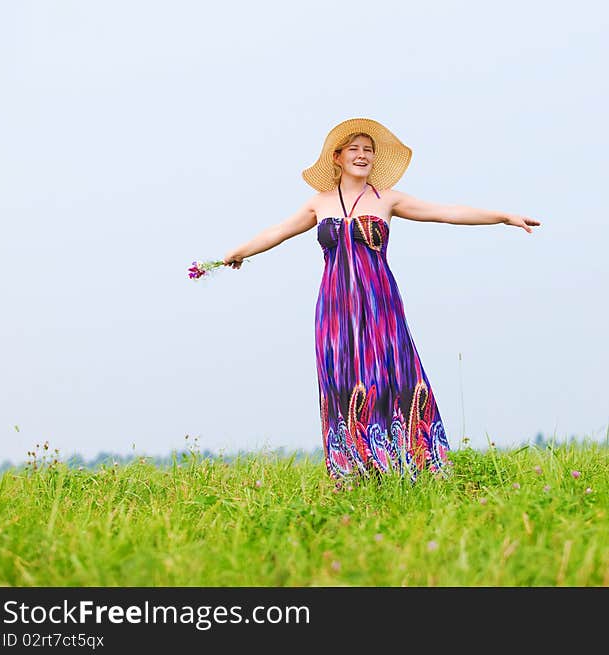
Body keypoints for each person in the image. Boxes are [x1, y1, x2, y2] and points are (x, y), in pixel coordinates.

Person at [223, 117, 541, 481]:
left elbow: (447, 213)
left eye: (368, 151)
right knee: (341, 380)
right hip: (335, 305)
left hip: (379, 303)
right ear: (338, 158)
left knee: (389, 374)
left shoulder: (388, 199)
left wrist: (503, 217)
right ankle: (354, 471)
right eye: (354, 150)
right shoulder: (318, 203)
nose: (362, 156)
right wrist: (241, 251)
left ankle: (416, 464)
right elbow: (277, 231)